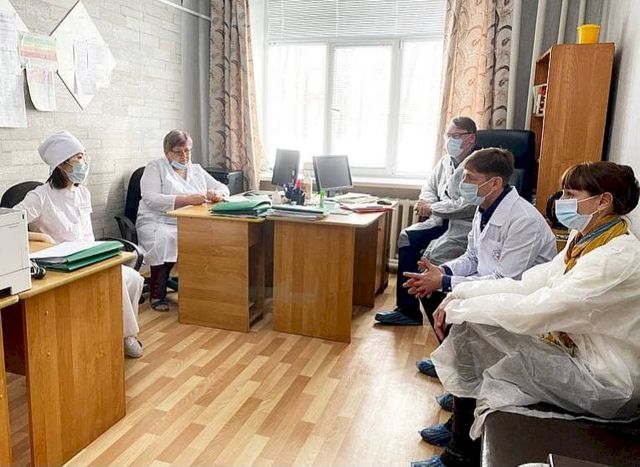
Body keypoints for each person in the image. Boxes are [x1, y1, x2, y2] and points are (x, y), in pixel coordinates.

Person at [412, 161, 640, 467]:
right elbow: (531, 283)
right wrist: (461, 294)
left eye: (571, 194)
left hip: (604, 380)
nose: (561, 201)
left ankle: (459, 453)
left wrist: (461, 306)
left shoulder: (616, 258)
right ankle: (459, 429)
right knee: (472, 326)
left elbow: (540, 309)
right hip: (572, 347)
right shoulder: (586, 238)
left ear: (603, 201)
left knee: (477, 335)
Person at [405, 147, 556, 414]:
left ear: (495, 183)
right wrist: (441, 271)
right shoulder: (484, 207)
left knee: (452, 304)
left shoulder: (523, 220)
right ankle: (455, 367)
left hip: (518, 298)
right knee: (429, 291)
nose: (463, 184)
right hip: (489, 283)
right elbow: (472, 257)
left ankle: (465, 392)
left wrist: (446, 283)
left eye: (470, 178)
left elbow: (505, 279)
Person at [15, 131, 145, 359]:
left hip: (89, 256)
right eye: (79, 157)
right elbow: (8, 224)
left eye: (84, 156)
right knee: (116, 281)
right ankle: (126, 336)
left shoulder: (82, 192)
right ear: (61, 164)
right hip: (62, 265)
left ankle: (123, 334)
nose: (84, 162)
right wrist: (40, 238)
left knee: (132, 277)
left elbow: (86, 233)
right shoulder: (40, 196)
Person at [375, 116, 478, 326]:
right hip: (439, 221)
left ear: (471, 138)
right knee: (406, 237)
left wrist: (433, 207)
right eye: (448, 135)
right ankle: (408, 310)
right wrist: (427, 203)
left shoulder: (477, 164)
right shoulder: (445, 162)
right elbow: (429, 187)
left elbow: (467, 205)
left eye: (456, 136)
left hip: (462, 226)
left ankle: (443, 318)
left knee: (434, 256)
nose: (450, 140)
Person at [136, 129, 230, 310]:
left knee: (213, 238)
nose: (184, 156)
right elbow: (151, 198)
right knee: (167, 239)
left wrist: (217, 194)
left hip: (188, 222)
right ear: (167, 153)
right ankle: (157, 294)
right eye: (178, 152)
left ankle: (202, 289)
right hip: (157, 220)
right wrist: (187, 200)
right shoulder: (155, 168)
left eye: (187, 151)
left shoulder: (196, 169)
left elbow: (223, 187)